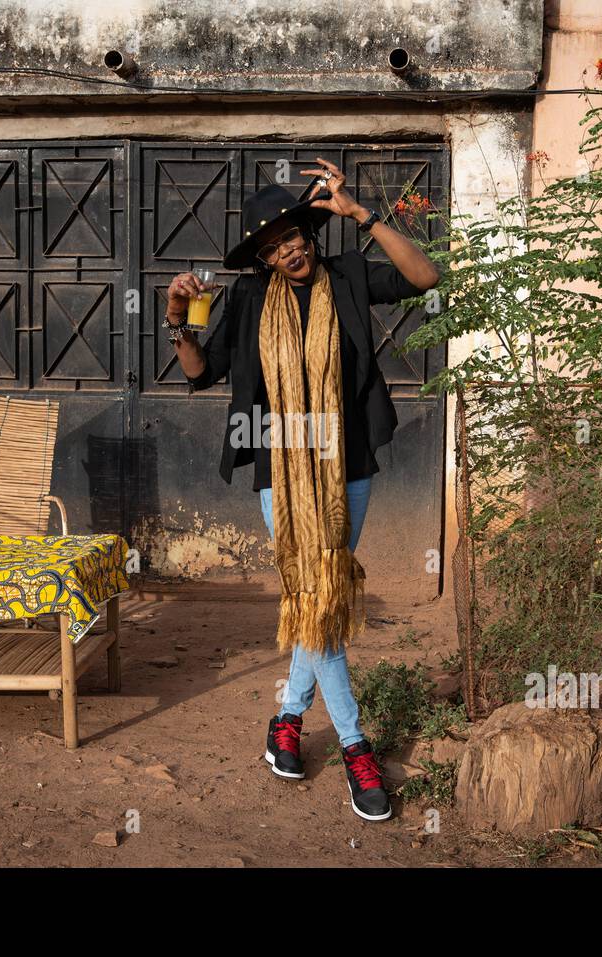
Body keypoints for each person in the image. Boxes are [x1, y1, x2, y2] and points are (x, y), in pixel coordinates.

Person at [163, 157, 439, 822]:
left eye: (294, 235)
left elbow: (425, 277)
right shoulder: (250, 300)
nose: (289, 250)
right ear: (261, 258)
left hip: (348, 466)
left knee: (325, 592)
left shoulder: (345, 275)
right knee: (316, 596)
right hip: (279, 474)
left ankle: (287, 717)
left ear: (308, 233)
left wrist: (362, 214)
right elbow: (201, 373)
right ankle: (354, 746)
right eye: (273, 245)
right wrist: (178, 320)